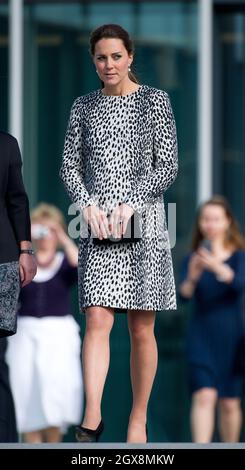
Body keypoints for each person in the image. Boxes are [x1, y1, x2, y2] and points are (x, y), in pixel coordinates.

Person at [60, 23, 178, 444]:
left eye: (115, 56)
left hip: (143, 222)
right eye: (100, 58)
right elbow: (69, 166)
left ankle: (138, 420)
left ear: (130, 57)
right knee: (96, 318)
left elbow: (166, 166)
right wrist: (87, 205)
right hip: (95, 224)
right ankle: (91, 418)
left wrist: (132, 201)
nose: (108, 64)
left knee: (141, 328)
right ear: (93, 61)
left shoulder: (155, 101)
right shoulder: (83, 106)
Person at [6, 203, 83, 443]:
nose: (45, 236)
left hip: (57, 335)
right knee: (25, 390)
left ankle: (53, 447)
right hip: (25, 335)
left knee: (55, 391)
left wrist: (60, 234)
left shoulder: (63, 261)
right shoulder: (24, 264)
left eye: (48, 230)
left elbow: (79, 266)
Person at [179, 195, 245, 443]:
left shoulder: (239, 256)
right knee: (204, 396)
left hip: (232, 337)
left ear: (227, 221)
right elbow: (183, 295)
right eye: (206, 219)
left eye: (216, 219)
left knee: (229, 402)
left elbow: (240, 284)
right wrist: (194, 275)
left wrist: (219, 268)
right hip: (201, 335)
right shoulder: (192, 258)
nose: (210, 224)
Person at [0, 131, 36, 442]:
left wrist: (26, 251)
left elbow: (17, 200)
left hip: (1, 261)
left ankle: (6, 441)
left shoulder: (5, 144)